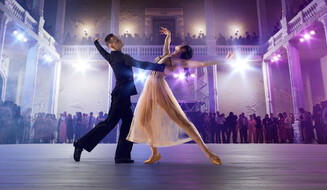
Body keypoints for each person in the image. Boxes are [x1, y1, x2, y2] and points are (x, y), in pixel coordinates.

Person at [127, 27, 233, 165]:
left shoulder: (179, 62)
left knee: (180, 120)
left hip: (158, 85)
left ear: (183, 50)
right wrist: (168, 36)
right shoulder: (168, 56)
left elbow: (203, 63)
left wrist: (224, 60)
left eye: (182, 45)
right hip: (149, 85)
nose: (179, 44)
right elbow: (166, 48)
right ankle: (155, 153)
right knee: (143, 120)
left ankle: (208, 151)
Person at [73, 34, 165, 163]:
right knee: (110, 123)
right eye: (117, 40)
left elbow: (102, 52)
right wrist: (160, 67)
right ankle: (80, 144)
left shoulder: (111, 57)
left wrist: (96, 43)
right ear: (112, 45)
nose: (120, 40)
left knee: (128, 124)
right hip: (121, 95)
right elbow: (140, 64)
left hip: (123, 95)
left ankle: (122, 156)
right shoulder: (123, 57)